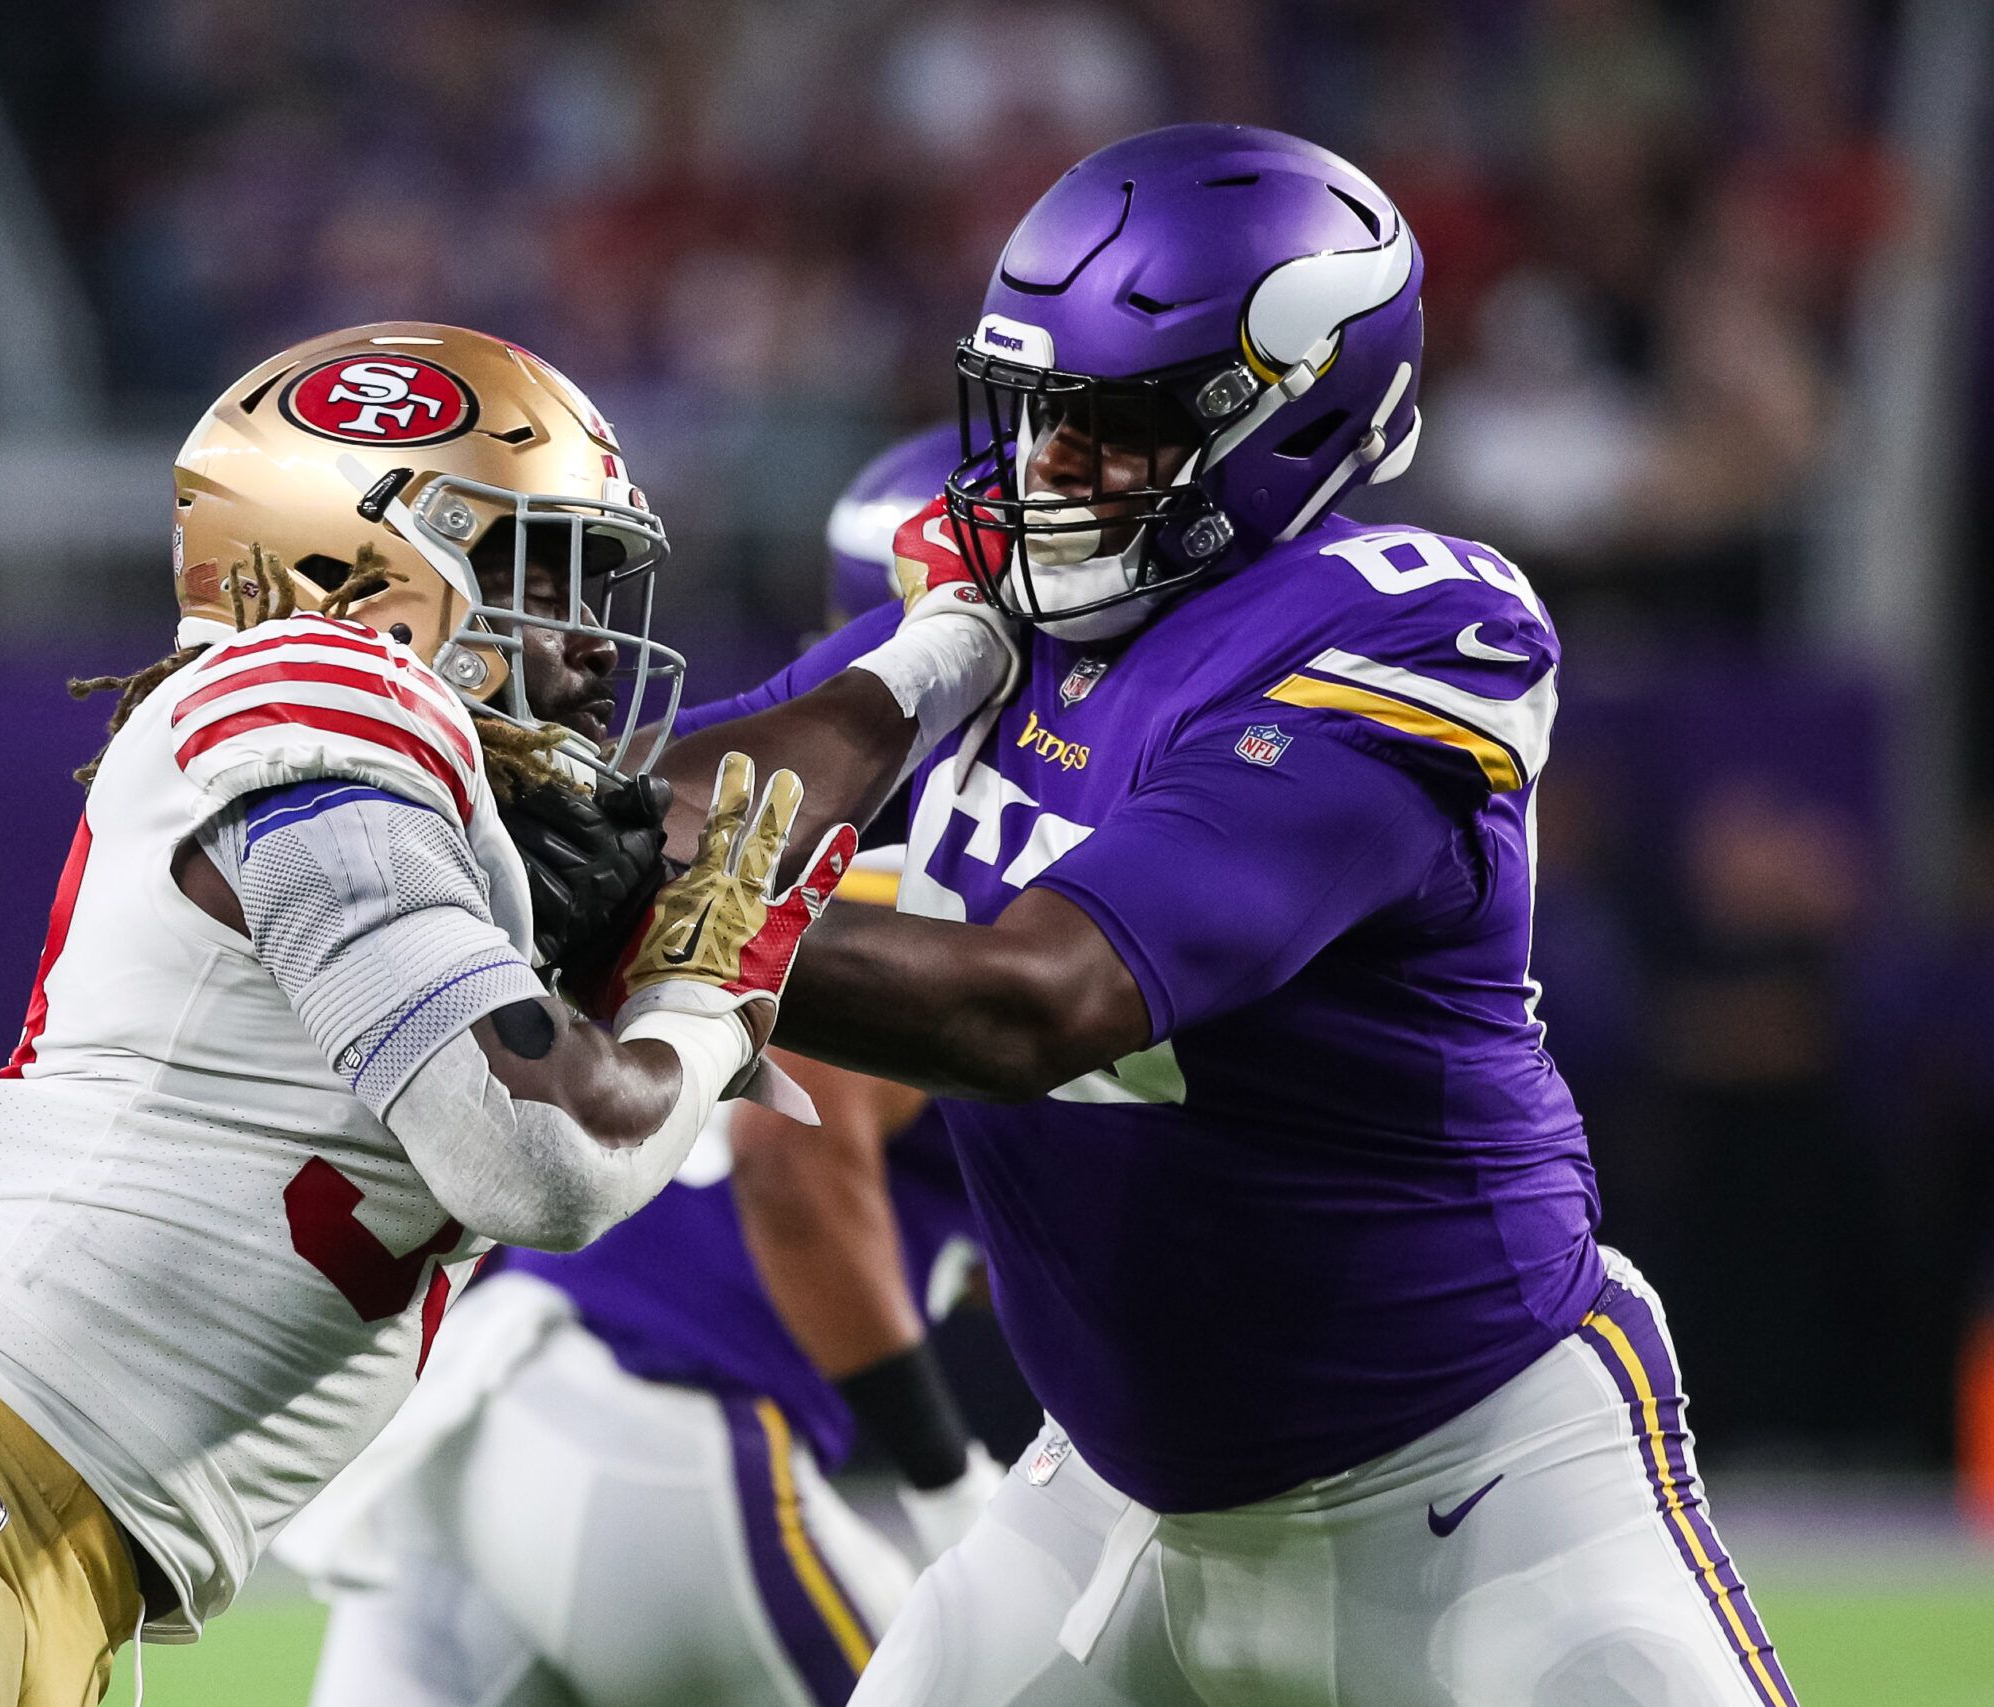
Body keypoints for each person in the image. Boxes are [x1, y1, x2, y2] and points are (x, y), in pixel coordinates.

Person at [566, 126, 1796, 1706]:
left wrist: (629, 915)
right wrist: (919, 656)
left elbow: (1037, 1002)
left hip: (1483, 1487)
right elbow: (666, 815)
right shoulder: (1007, 623)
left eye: (1113, 427)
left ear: (1294, 417)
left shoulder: (1412, 627)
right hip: (1117, 1499)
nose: (1044, 470)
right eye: (1031, 417)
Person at [0, 323, 850, 1707]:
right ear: (365, 565)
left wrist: (958, 644)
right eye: (540, 577)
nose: (589, 649)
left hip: (41, 1551)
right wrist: (705, 1007)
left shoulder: (429, 837)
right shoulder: (316, 698)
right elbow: (538, 1162)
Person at [286, 426, 1006, 1707]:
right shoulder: (940, 883)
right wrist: (940, 1469)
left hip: (502, 1394)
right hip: (666, 1419)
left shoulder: (734, 829)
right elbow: (799, 1157)